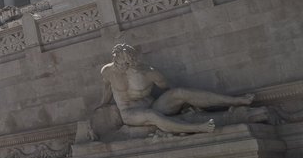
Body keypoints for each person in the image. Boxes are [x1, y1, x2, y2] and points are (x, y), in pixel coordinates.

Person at [97, 44, 256, 134]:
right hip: (130, 114)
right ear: (114, 61)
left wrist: (186, 102)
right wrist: (101, 105)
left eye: (127, 64)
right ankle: (197, 128)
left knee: (180, 93)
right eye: (119, 64)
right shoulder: (108, 71)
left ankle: (235, 100)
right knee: (150, 114)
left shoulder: (149, 73)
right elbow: (107, 89)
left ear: (133, 61)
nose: (122, 67)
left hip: (153, 106)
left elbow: (170, 89)